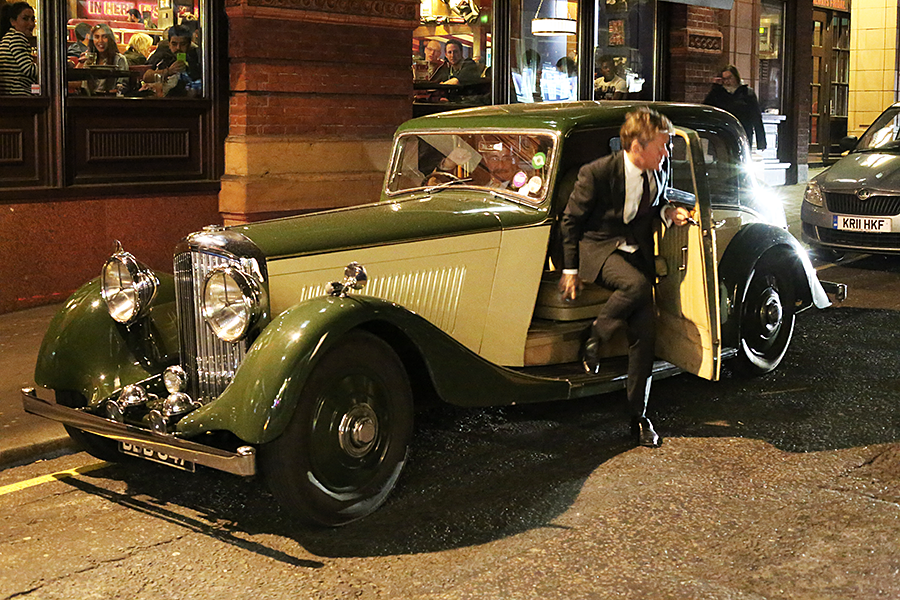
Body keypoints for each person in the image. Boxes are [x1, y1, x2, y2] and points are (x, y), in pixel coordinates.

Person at [558, 107, 692, 448]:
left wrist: (668, 212)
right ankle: (595, 335)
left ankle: (639, 417)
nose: (666, 153)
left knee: (644, 337)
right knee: (637, 285)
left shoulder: (658, 171)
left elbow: (655, 205)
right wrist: (570, 270)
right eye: (661, 146)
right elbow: (570, 221)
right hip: (598, 250)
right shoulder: (597, 172)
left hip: (635, 253)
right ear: (636, 146)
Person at [703, 65, 767, 151]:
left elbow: (756, 117)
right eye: (724, 79)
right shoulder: (718, 93)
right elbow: (707, 107)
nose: (727, 81)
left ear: (736, 77)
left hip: (742, 134)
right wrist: (715, 86)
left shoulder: (747, 93)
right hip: (722, 136)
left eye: (729, 78)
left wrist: (761, 142)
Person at [142, 24, 202, 97]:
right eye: (174, 44)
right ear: (169, 44)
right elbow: (146, 76)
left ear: (189, 44)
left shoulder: (196, 57)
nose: (178, 48)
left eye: (183, 44)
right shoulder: (163, 54)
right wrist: (169, 71)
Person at [76, 23, 128, 95]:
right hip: (88, 98)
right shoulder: (90, 59)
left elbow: (122, 86)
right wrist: (81, 63)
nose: (100, 41)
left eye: (104, 37)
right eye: (96, 37)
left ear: (110, 39)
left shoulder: (119, 59)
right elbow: (81, 84)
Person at [0, 1, 37, 96]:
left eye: (32, 19)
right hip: (20, 94)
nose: (31, 24)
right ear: (13, 21)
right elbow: (29, 70)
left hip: (10, 94)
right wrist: (52, 67)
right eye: (25, 19)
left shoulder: (7, 38)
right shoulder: (17, 38)